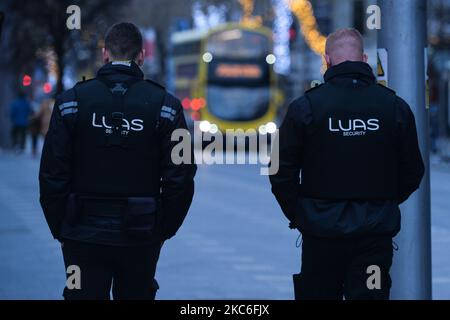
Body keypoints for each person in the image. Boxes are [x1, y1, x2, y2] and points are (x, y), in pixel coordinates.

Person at [39, 22, 196, 300]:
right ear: (141, 56)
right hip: (141, 232)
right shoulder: (167, 106)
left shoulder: (70, 103)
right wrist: (162, 228)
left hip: (81, 232)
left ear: (105, 54)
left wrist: (62, 228)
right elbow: (180, 176)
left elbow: (52, 173)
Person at [269, 28, 425, 300]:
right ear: (364, 59)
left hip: (321, 235)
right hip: (374, 237)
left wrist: (300, 213)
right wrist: (384, 203)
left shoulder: (305, 107)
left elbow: (280, 171)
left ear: (327, 60)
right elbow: (413, 170)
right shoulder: (394, 107)